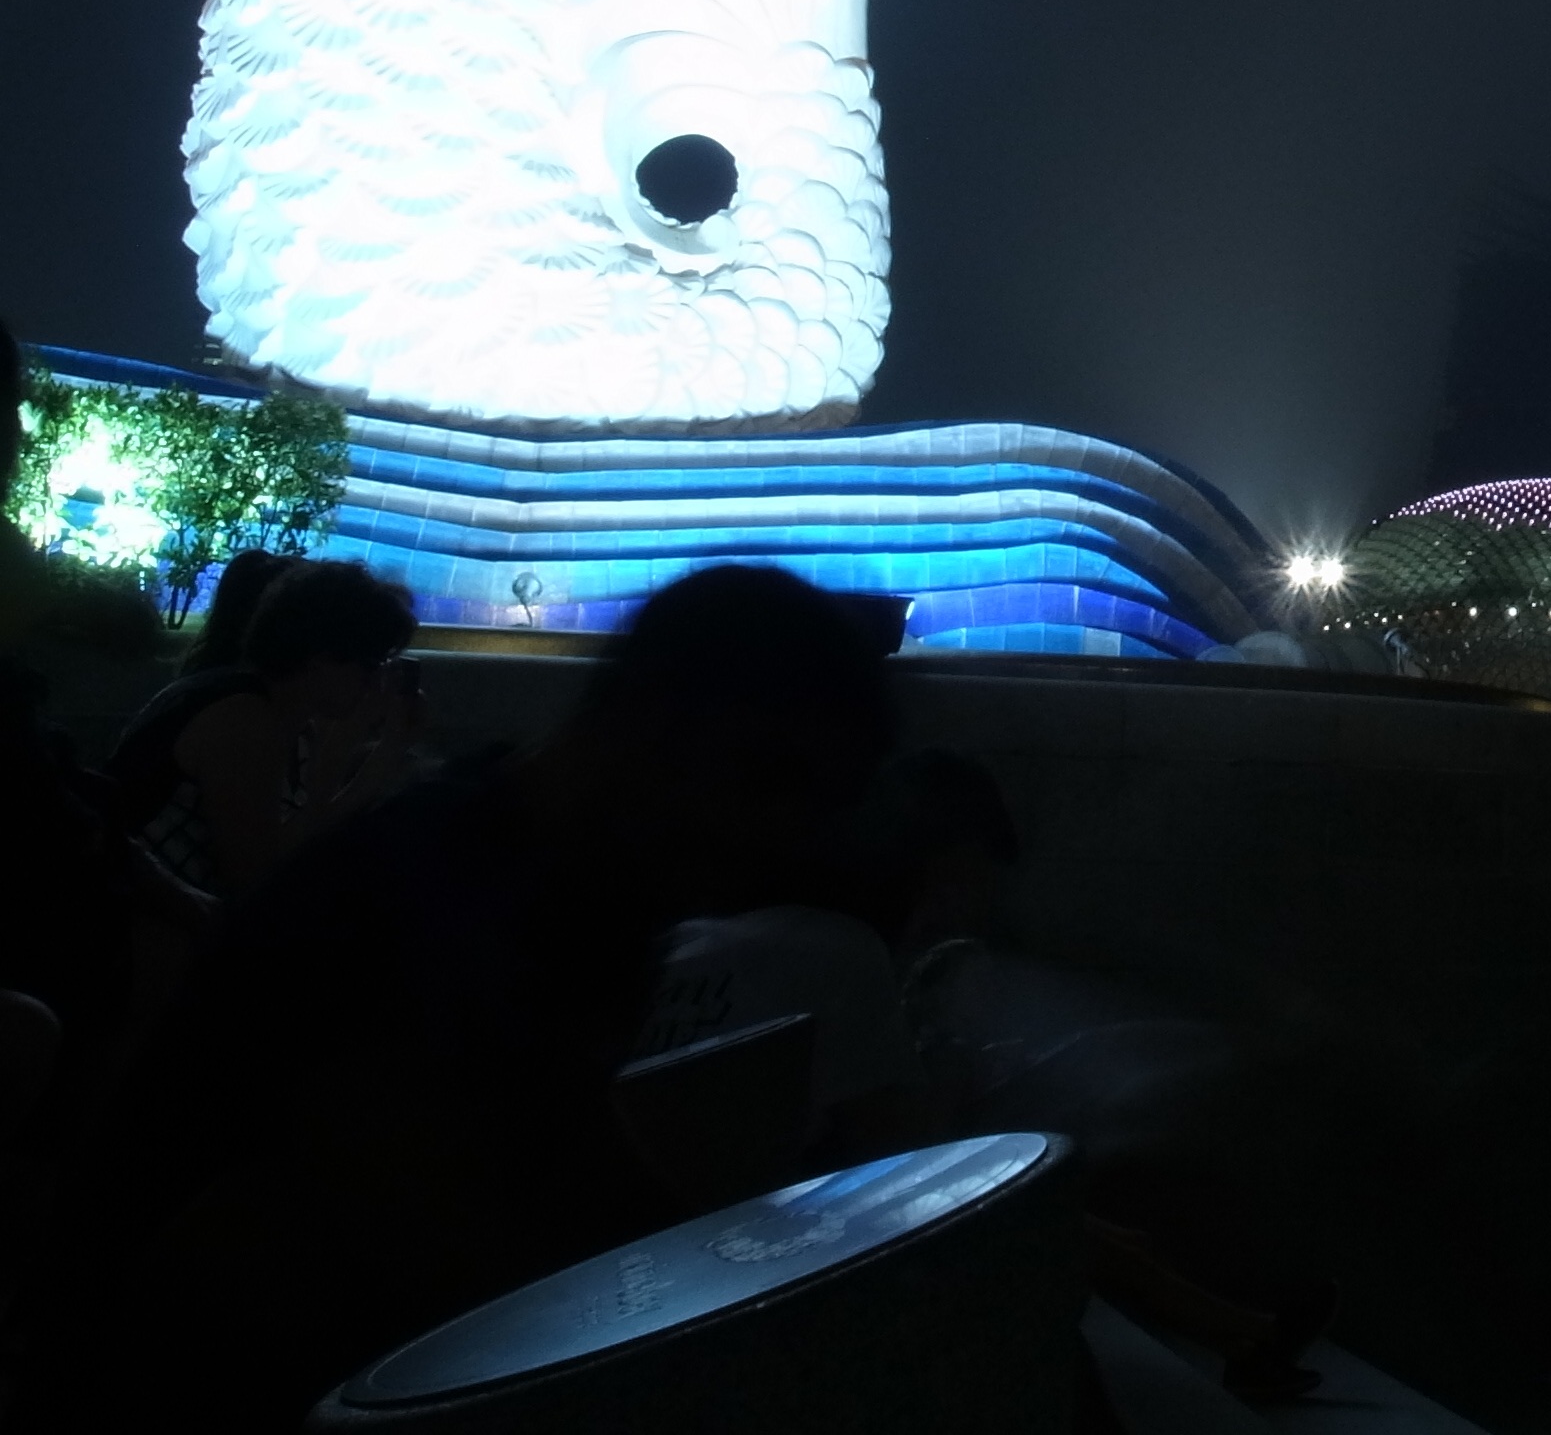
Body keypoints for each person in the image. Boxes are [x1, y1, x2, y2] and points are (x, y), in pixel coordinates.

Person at [25, 563, 901, 1432]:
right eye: (771, 785)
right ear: (662, 731)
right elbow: (448, 1232)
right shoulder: (430, 907)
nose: (763, 848)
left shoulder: (550, 895)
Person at [100, 558, 419, 895]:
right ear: (321, 658)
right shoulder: (240, 718)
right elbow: (257, 881)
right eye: (370, 666)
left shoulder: (275, 711)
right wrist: (353, 755)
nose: (377, 682)